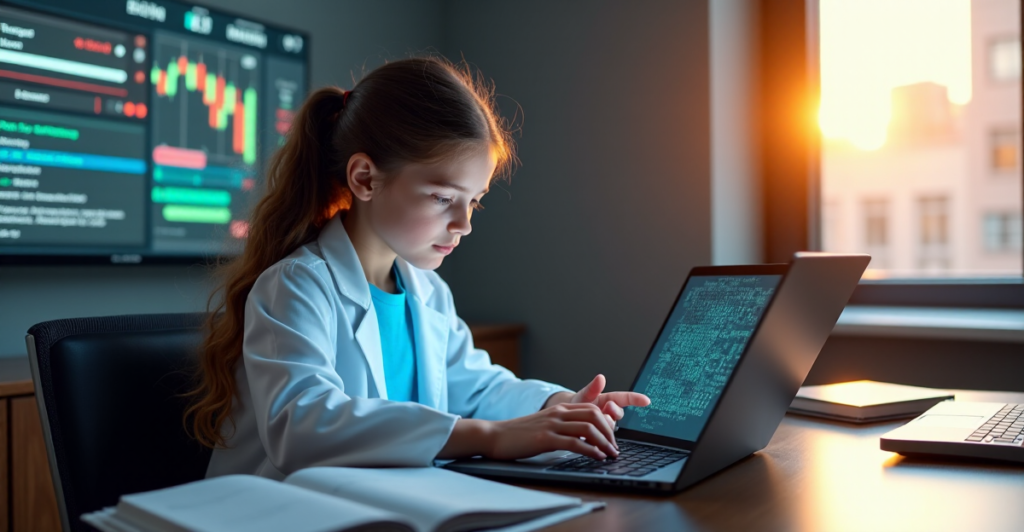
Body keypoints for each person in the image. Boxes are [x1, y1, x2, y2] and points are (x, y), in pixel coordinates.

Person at [185, 56, 650, 480]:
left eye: (474, 202)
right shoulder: (297, 286)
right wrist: (489, 437)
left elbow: (475, 386)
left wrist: (561, 405)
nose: (464, 224)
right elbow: (303, 426)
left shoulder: (427, 292)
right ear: (365, 178)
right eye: (444, 198)